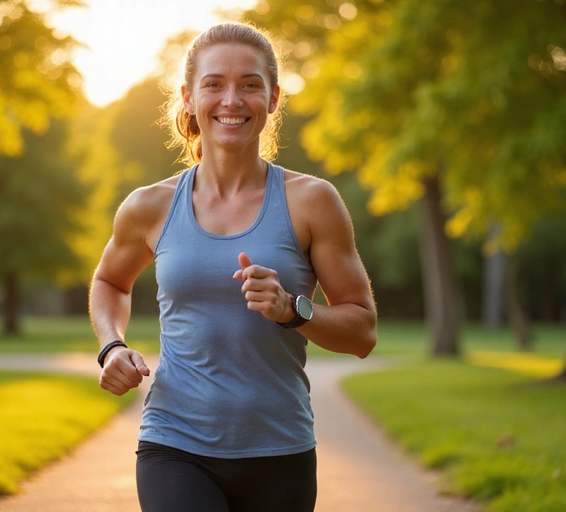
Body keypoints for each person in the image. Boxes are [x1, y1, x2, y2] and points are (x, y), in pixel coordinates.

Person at [89, 22, 377, 512]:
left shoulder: (312, 202)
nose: (231, 100)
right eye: (214, 84)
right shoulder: (149, 206)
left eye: (249, 85)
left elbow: (363, 331)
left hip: (280, 450)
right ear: (188, 97)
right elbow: (109, 281)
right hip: (174, 444)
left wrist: (292, 309)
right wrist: (111, 345)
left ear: (273, 99)